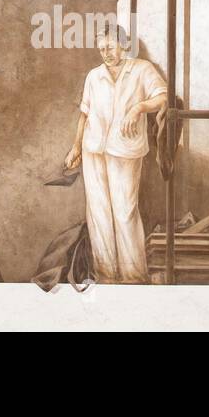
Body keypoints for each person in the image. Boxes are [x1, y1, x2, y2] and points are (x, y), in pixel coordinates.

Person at [63, 27, 167, 284]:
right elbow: (85, 114)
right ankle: (106, 276)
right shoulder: (94, 76)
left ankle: (133, 276)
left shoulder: (142, 69)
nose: (105, 53)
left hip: (125, 149)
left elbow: (163, 97)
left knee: (125, 211)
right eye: (101, 49)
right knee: (98, 213)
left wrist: (139, 107)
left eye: (110, 47)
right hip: (93, 149)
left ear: (124, 45)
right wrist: (76, 147)